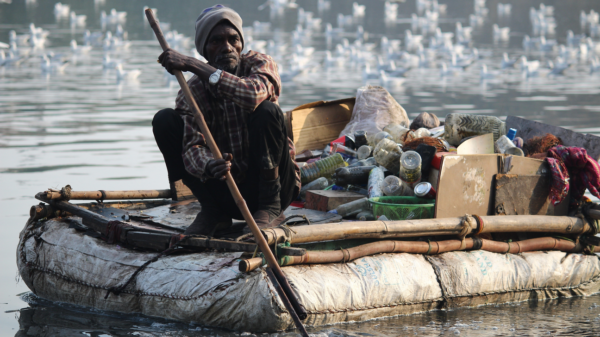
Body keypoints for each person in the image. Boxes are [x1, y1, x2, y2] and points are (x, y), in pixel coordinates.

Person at [152, 5, 300, 236]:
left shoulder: (259, 64)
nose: (227, 47)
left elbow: (252, 95)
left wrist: (191, 64)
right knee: (164, 121)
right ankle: (213, 212)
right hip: (226, 190)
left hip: (276, 188)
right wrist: (209, 165)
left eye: (233, 39)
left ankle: (270, 209)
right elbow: (191, 146)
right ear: (205, 50)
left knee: (267, 110)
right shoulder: (192, 92)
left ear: (241, 43)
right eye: (217, 41)